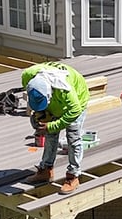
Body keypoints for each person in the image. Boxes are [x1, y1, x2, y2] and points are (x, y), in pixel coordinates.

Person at [21, 61, 90, 194]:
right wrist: (39, 114)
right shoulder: (27, 76)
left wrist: (52, 126)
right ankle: (46, 170)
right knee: (50, 136)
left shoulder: (65, 89)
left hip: (77, 102)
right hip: (54, 103)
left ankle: (73, 176)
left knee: (73, 138)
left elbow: (74, 111)